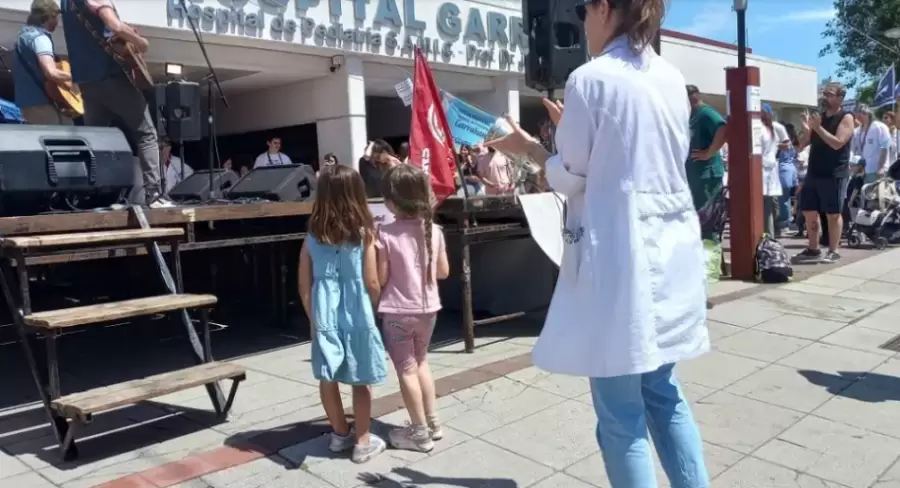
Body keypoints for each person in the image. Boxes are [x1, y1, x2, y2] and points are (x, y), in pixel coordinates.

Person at [485, 0, 709, 485]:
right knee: (663, 393)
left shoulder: (591, 78)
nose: (582, 21)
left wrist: (527, 147)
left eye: (585, 10)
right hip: (669, 250)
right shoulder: (670, 76)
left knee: (619, 411)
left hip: (619, 258)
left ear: (604, 8)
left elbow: (570, 178)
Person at [298, 165, 387, 464]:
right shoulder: (364, 235)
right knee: (361, 380)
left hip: (324, 312)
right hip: (357, 312)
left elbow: (304, 285)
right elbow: (372, 281)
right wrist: (374, 308)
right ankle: (362, 441)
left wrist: (314, 318)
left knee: (328, 376)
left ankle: (339, 433)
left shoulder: (312, 236)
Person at [61, 0, 173, 208]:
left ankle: (98, 196)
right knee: (146, 133)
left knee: (96, 140)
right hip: (110, 75)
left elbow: (97, 32)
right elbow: (113, 26)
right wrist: (140, 42)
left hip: (87, 82)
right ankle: (154, 196)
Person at [376, 164, 450, 452]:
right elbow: (443, 271)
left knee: (406, 370)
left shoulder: (385, 233)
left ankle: (419, 433)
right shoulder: (436, 231)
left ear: (392, 202)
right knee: (421, 363)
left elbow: (381, 277)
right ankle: (433, 422)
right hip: (428, 310)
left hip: (397, 312)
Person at [796, 82, 855, 264]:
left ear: (840, 98)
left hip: (834, 172)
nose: (825, 97)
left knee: (833, 213)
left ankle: (833, 250)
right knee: (809, 210)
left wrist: (818, 128)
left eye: (829, 94)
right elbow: (801, 146)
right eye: (824, 93)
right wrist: (807, 130)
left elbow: (838, 142)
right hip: (814, 171)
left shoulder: (846, 117)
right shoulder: (818, 118)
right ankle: (813, 249)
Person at [13, 0, 73, 125]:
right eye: (56, 17)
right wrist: (77, 78)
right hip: (42, 104)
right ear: (49, 16)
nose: (57, 22)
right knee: (66, 137)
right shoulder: (40, 39)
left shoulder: (23, 36)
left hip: (29, 104)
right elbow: (51, 73)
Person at [686, 84, 727, 210]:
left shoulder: (706, 113)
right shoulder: (691, 114)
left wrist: (708, 153)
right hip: (697, 176)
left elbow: (723, 128)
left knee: (707, 215)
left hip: (707, 176)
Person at [758, 104, 789, 237]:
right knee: (767, 206)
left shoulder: (773, 128)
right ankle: (769, 234)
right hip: (764, 169)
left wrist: (776, 146)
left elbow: (787, 145)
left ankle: (772, 233)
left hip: (767, 169)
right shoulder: (759, 128)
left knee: (769, 205)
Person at [851, 104, 891, 184]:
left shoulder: (879, 127)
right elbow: (853, 150)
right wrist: (853, 166)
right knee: (865, 195)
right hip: (863, 172)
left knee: (879, 195)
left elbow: (885, 147)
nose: (858, 120)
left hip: (877, 171)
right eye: (856, 117)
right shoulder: (857, 131)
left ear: (866, 114)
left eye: (860, 117)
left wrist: (881, 167)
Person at [778, 124, 800, 235]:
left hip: (784, 173)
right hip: (791, 172)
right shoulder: (793, 145)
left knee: (783, 200)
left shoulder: (784, 145)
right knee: (786, 199)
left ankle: (785, 222)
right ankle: (788, 220)